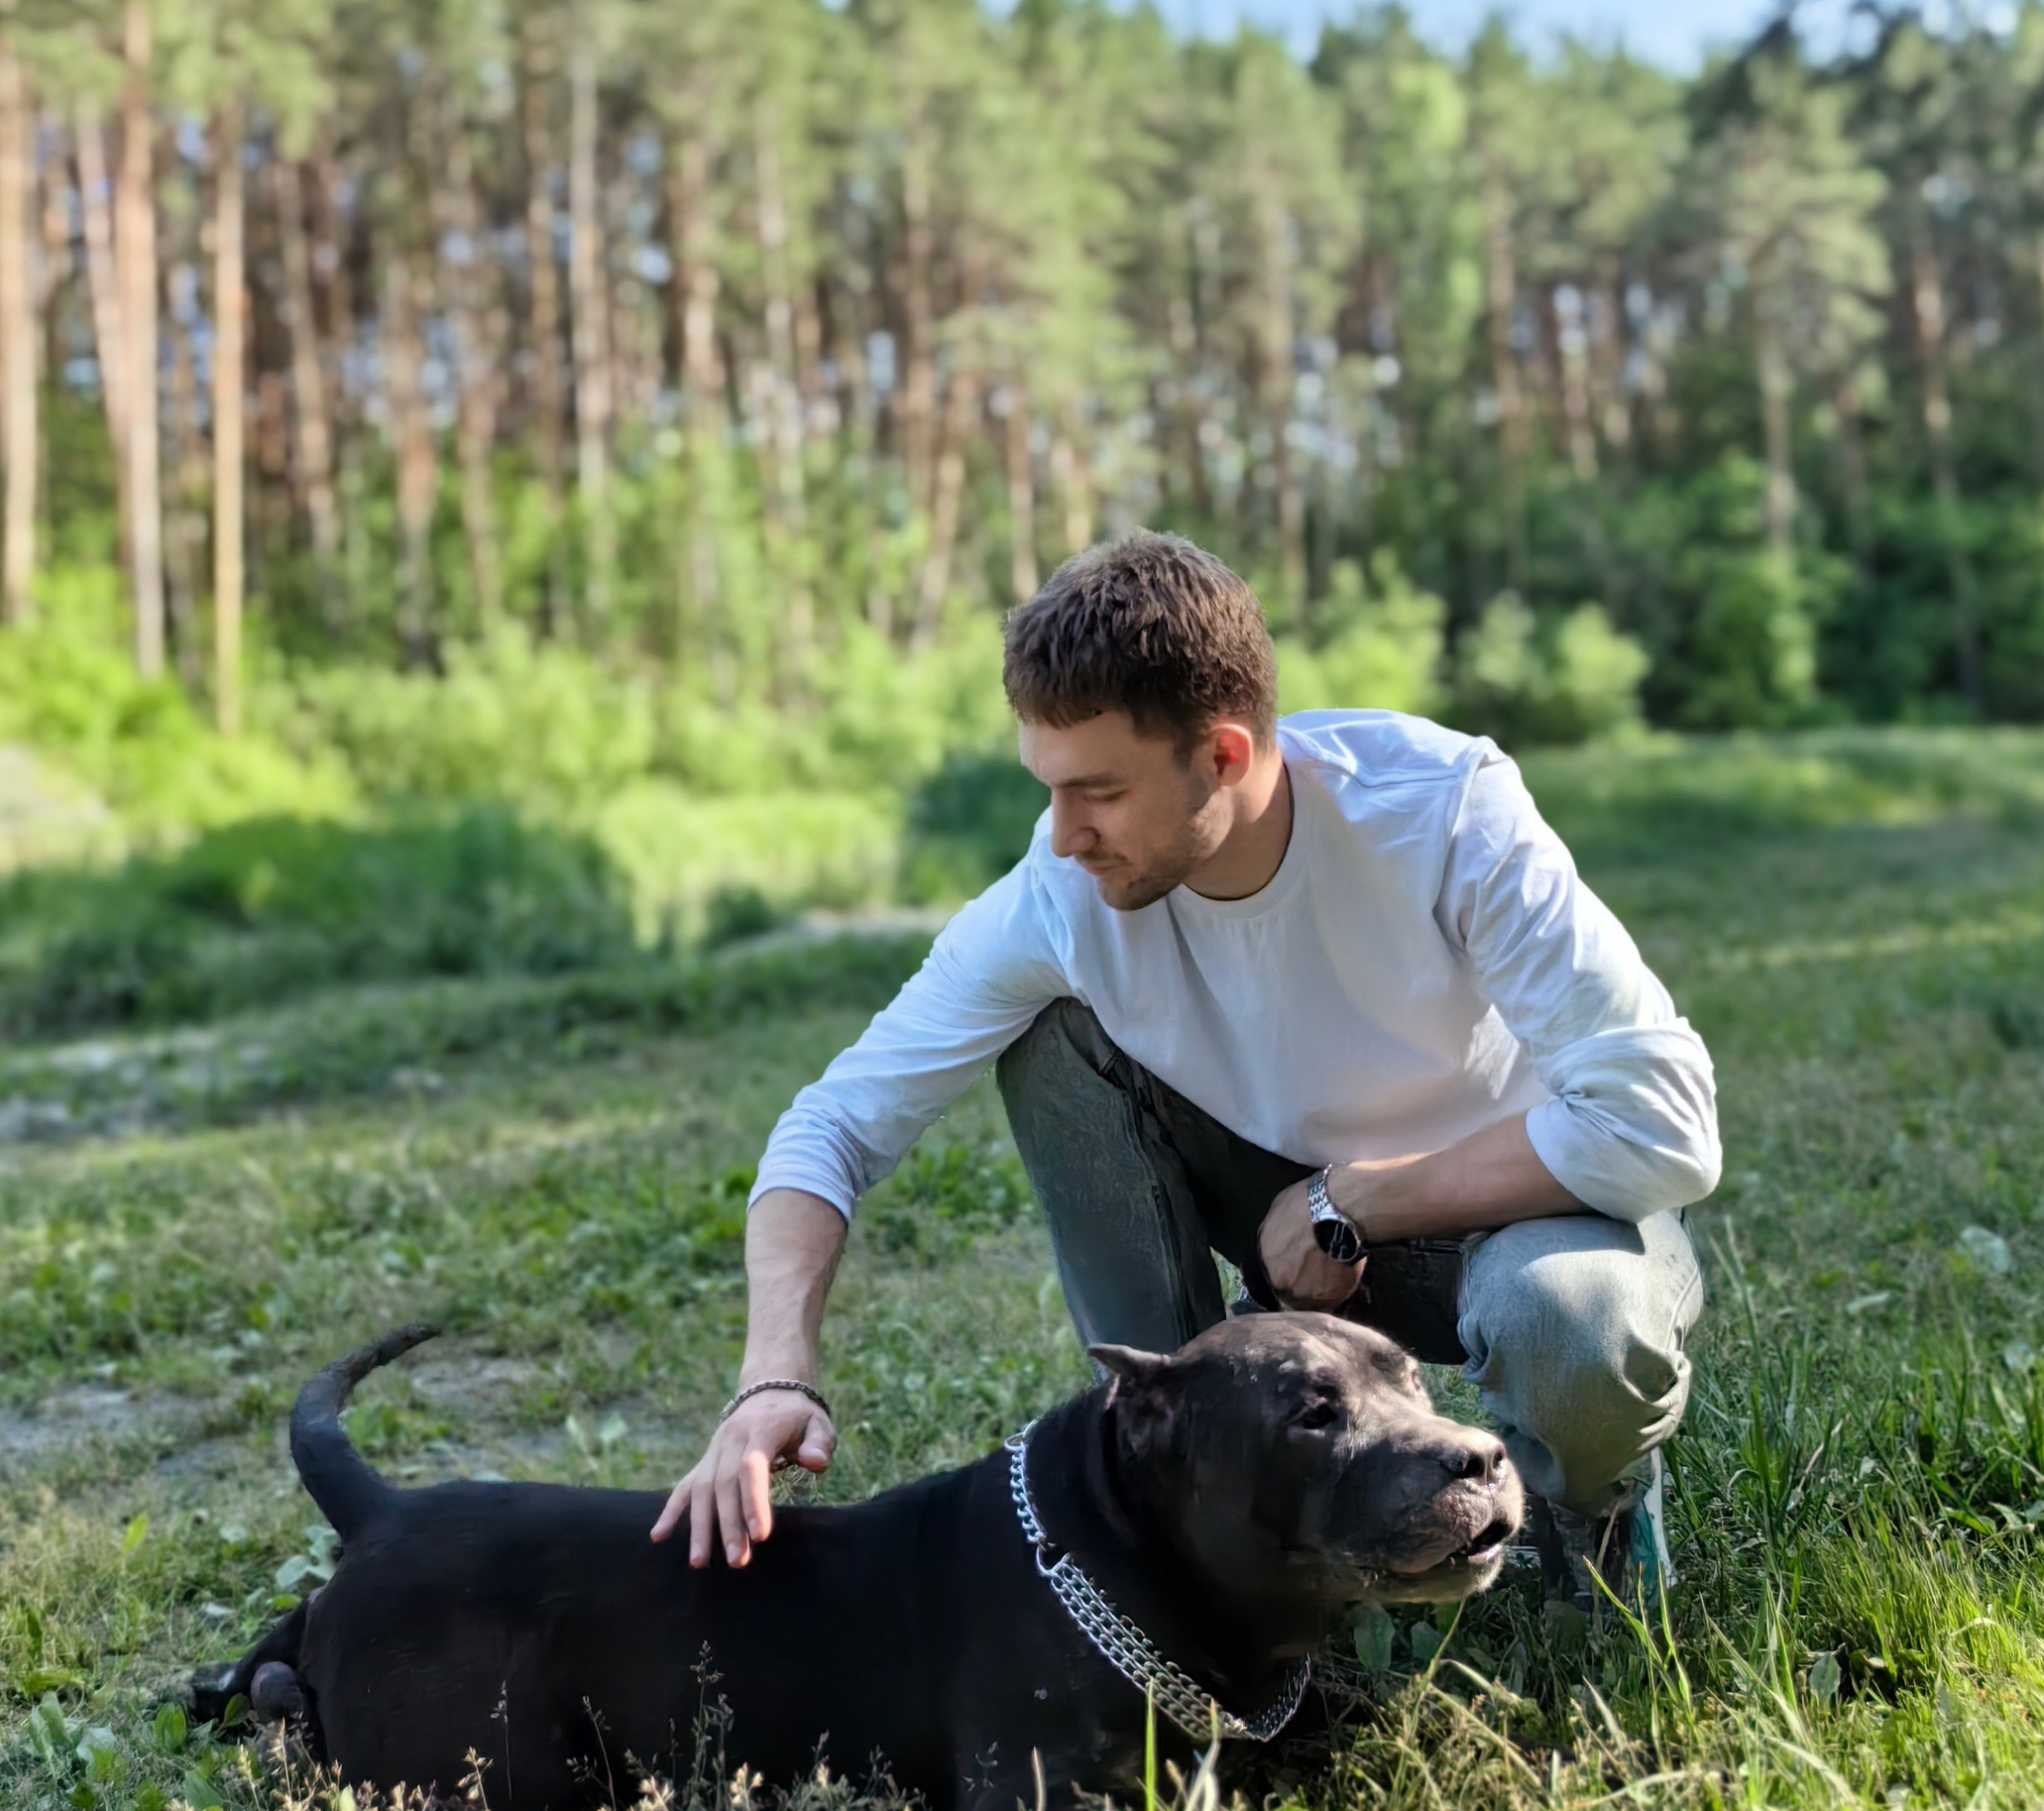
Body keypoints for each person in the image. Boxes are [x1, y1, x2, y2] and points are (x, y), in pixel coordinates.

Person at [653, 531, 1718, 1617]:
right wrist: (771, 1375)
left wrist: (1351, 1197)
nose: (1064, 834)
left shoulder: (1441, 809)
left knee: (1573, 1325)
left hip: (1520, 1214)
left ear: (1222, 754)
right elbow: (832, 1122)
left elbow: (1660, 1120)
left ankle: (1592, 1507)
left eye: (1099, 791)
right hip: (1281, 1245)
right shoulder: (1057, 894)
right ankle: (1190, 1493)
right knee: (1048, 1032)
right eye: (1050, 788)